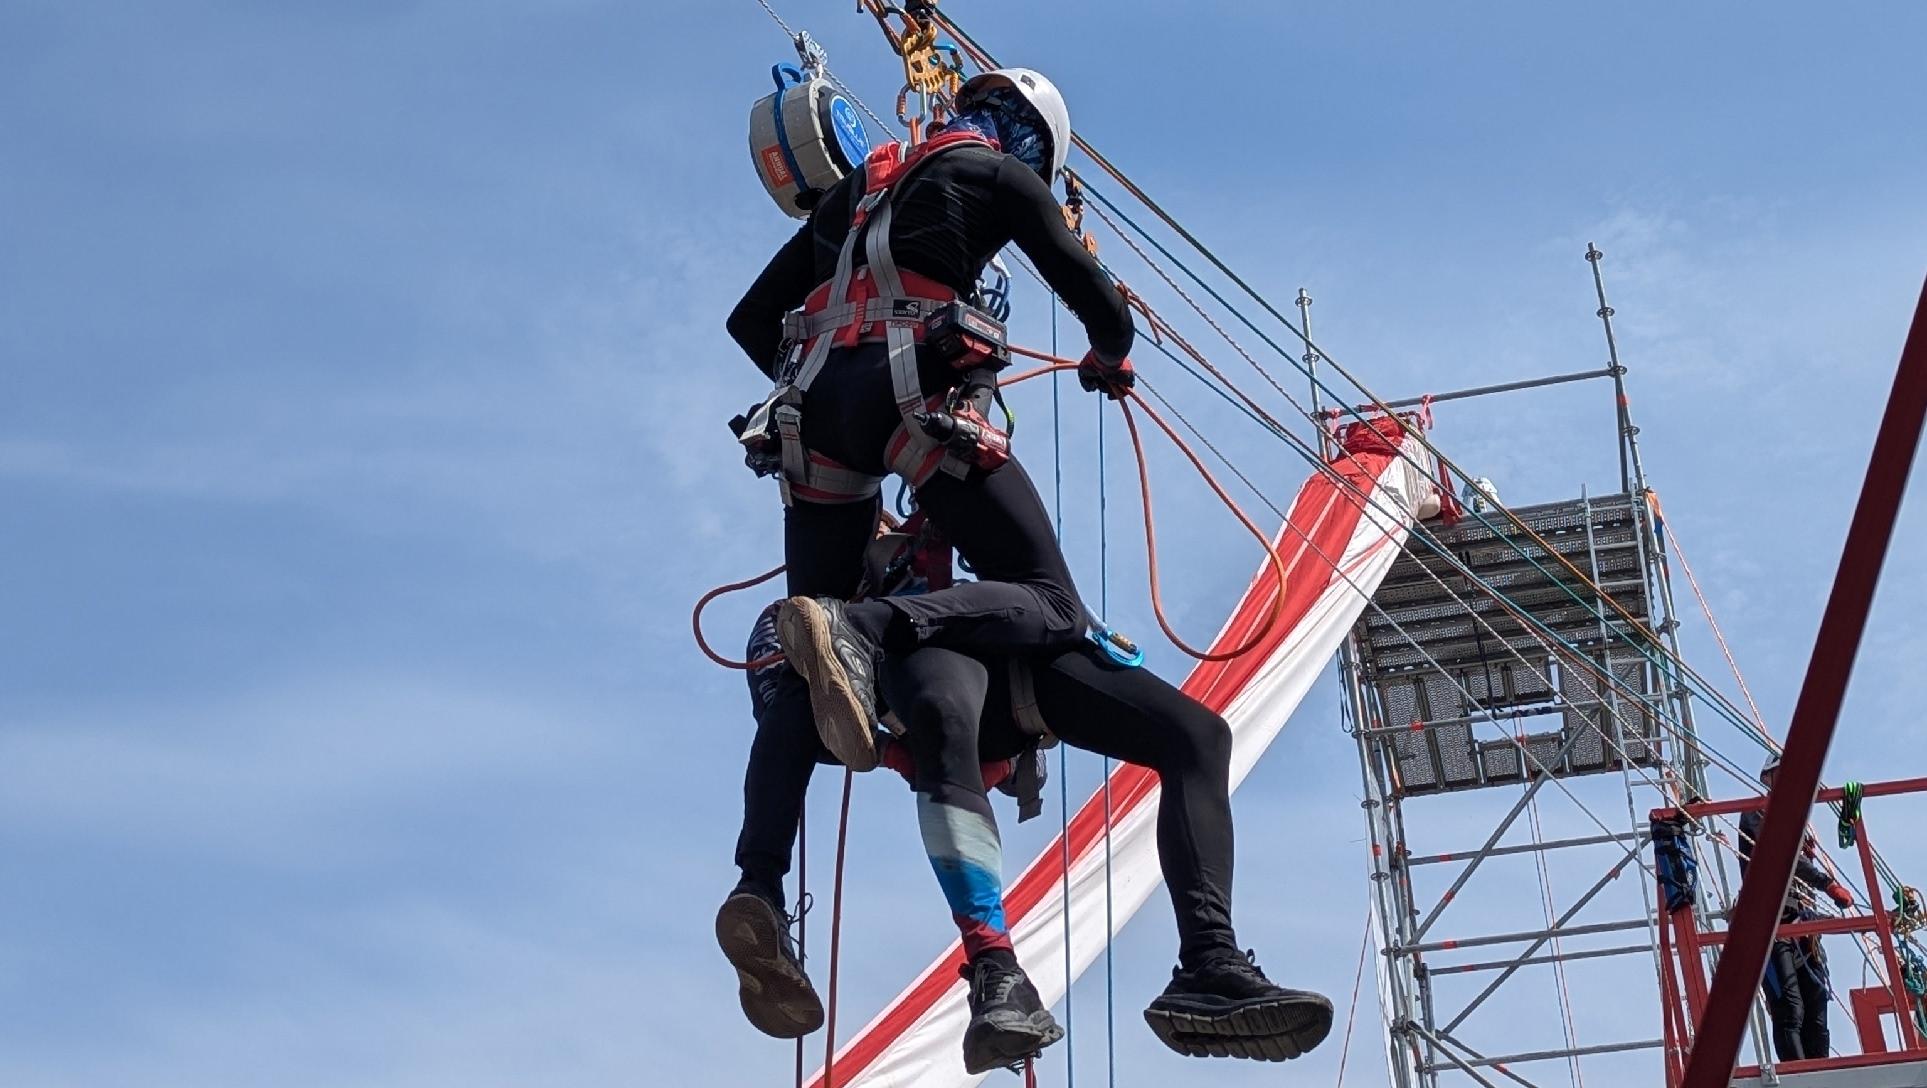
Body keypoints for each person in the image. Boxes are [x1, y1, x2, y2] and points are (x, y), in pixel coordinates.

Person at [725, 67, 1136, 775]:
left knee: (809, 653)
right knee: (1052, 606)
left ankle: (768, 849)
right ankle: (910, 697)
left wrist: (813, 390)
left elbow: (750, 320)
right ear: (1031, 142)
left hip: (811, 420)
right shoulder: (1002, 176)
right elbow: (1106, 311)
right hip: (910, 402)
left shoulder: (853, 191)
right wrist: (1105, 359)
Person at [1739, 753, 1856, 1063]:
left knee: (1817, 1000)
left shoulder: (1797, 825)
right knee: (1790, 1007)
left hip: (1802, 926)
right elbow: (1784, 853)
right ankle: (1799, 1074)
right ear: (1768, 779)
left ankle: (1820, 1073)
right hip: (1771, 926)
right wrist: (1827, 883)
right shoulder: (1755, 813)